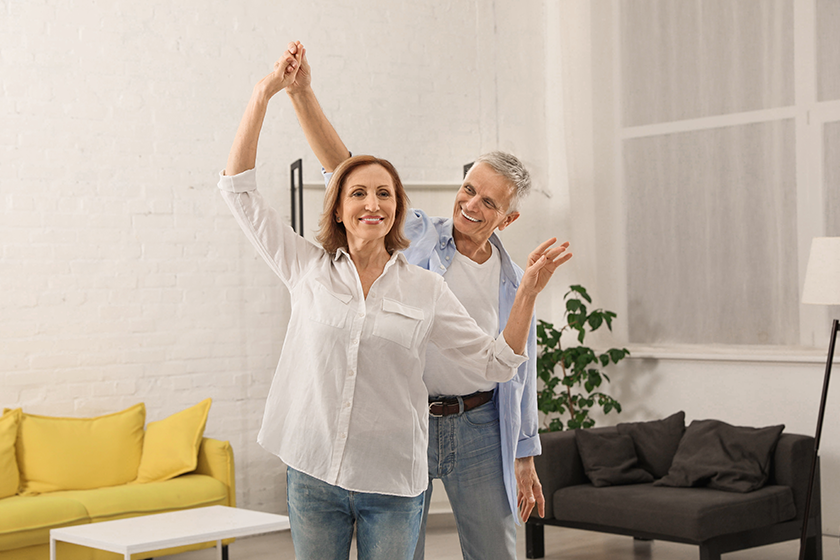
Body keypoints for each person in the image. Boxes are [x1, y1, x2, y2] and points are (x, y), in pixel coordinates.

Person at [217, 47, 571, 560]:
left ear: (507, 219)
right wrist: (292, 92)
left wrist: (524, 451)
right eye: (468, 189)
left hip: (473, 423)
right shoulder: (378, 247)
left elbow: (512, 366)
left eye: (489, 202)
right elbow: (340, 168)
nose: (471, 205)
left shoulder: (476, 284)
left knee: (493, 550)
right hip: (395, 426)